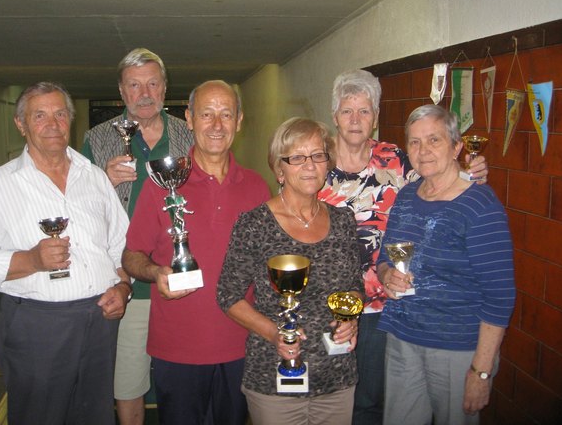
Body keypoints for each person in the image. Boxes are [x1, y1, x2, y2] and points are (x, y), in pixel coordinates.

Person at [0, 82, 132, 425]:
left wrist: (122, 289)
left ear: (71, 120)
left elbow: (119, 247)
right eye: (40, 115)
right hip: (37, 326)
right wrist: (30, 260)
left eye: (60, 113)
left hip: (99, 321)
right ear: (21, 125)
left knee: (95, 416)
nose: (53, 123)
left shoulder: (94, 178)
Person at [318, 70, 488, 425]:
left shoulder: (395, 158)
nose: (355, 120)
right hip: (326, 301)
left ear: (375, 118)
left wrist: (470, 173)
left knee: (372, 399)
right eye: (347, 111)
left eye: (364, 111)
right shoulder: (314, 162)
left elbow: (438, 177)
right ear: (334, 116)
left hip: (383, 302)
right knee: (330, 396)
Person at [122, 80, 270, 425]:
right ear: (189, 119)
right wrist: (157, 273)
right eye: (206, 114)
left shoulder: (257, 187)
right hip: (178, 349)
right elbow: (132, 255)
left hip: (241, 345)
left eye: (226, 115)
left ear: (239, 120)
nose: (217, 126)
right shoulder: (161, 183)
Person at [217, 117, 364, 425]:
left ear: (327, 163)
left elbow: (353, 285)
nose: (309, 165)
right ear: (279, 169)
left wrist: (349, 318)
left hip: (335, 378)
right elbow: (228, 295)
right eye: (297, 157)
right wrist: (275, 333)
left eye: (318, 155)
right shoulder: (255, 223)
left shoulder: (344, 221)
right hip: (274, 377)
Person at [376, 104, 515, 425]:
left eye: (434, 140)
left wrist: (480, 371)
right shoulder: (407, 196)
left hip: (456, 349)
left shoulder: (480, 205)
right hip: (402, 339)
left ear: (456, 147)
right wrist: (386, 275)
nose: (423, 151)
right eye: (414, 142)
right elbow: (386, 257)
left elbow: (500, 296)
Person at [82, 48, 193, 425]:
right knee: (127, 386)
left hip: (182, 282)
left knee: (182, 383)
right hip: (127, 283)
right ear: (121, 90)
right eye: (134, 85)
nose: (144, 93)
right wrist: (103, 181)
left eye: (152, 83)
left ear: (164, 88)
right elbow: (77, 211)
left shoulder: (189, 134)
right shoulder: (96, 140)